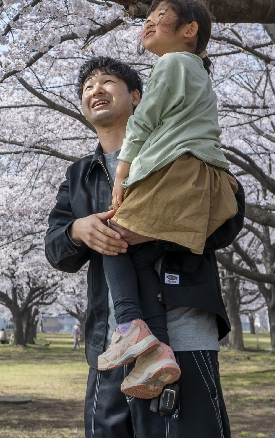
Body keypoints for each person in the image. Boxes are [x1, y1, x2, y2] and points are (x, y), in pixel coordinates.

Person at [46, 54, 244, 438]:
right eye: (87, 87)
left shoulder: (179, 150)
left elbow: (228, 216)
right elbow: (56, 249)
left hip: (183, 332)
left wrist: (157, 226)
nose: (95, 90)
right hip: (113, 343)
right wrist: (79, 231)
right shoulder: (79, 175)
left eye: (106, 82)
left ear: (137, 97)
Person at [98, 0, 239, 399]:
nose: (148, 22)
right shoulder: (193, 71)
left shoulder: (173, 63)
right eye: (147, 17)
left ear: (189, 30)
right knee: (139, 255)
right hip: (199, 177)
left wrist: (122, 172)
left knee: (110, 237)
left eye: (160, 17)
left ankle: (129, 328)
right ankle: (156, 353)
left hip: (178, 173)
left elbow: (143, 119)